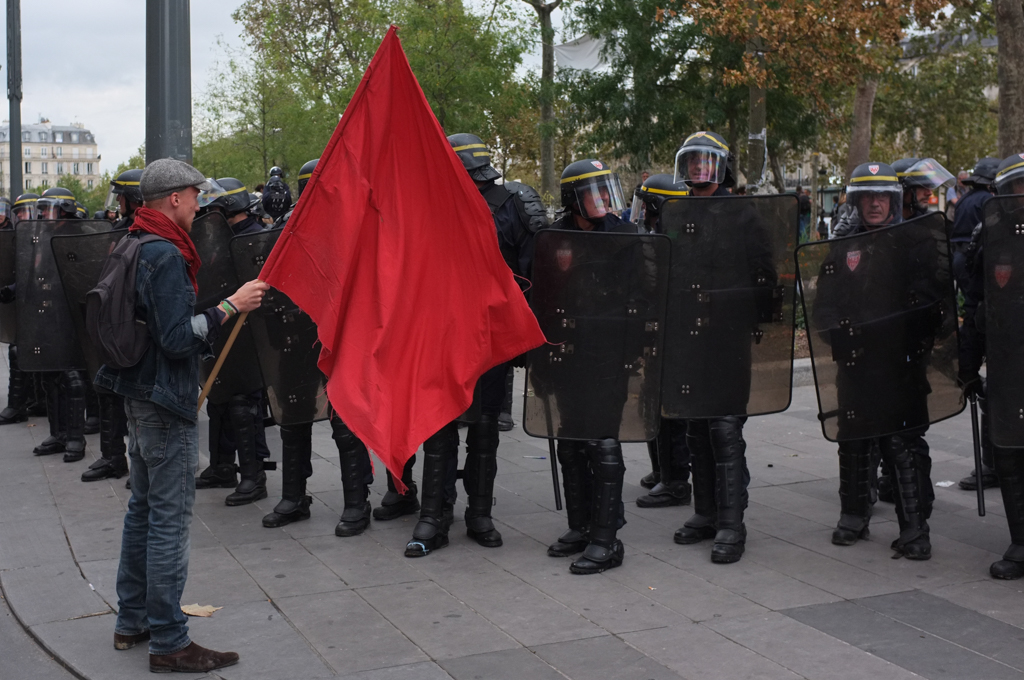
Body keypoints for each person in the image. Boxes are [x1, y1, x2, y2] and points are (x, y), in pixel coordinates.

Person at [93, 158, 268, 673]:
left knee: (143, 511)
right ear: (173, 199)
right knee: (167, 520)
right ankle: (170, 640)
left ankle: (133, 621)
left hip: (138, 393)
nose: (199, 204)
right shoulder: (165, 253)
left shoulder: (131, 241)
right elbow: (174, 339)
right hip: (164, 399)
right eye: (195, 195)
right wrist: (230, 307)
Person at [402, 135, 543, 558]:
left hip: (491, 334)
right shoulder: (429, 206)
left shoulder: (512, 204)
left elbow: (532, 271)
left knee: (483, 429)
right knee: (439, 426)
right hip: (441, 331)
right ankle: (434, 514)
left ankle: (479, 512)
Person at [811, 162, 937, 560]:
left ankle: (915, 528)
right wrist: (839, 335)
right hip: (857, 363)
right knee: (854, 439)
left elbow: (933, 303)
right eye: (868, 197)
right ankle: (853, 515)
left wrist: (909, 331)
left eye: (882, 196)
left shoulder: (914, 242)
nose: (875, 204)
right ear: (857, 201)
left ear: (894, 200)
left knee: (902, 443)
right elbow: (824, 305)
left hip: (900, 364)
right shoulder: (844, 246)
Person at [667, 131, 770, 564]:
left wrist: (745, 313)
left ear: (721, 166)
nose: (696, 167)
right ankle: (705, 513)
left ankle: (731, 523)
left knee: (724, 429)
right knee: (695, 426)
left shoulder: (743, 213)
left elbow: (764, 274)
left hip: (726, 338)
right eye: (690, 161)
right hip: (687, 339)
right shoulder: (675, 212)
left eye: (704, 161)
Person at [540, 157, 636, 575]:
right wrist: (541, 358)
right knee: (570, 440)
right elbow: (540, 297)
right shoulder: (553, 237)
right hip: (567, 354)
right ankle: (579, 527)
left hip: (608, 354)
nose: (602, 201)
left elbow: (643, 298)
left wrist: (633, 351)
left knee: (602, 442)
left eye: (605, 190)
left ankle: (606, 539)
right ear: (572, 199)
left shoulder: (627, 236)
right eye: (592, 193)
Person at [192, 178, 274, 506]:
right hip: (223, 326)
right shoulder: (218, 238)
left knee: (244, 403)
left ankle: (254, 476)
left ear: (223, 210)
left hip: (251, 334)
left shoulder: (256, 238)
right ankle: (222, 465)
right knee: (220, 398)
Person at [627, 174, 693, 508]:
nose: (641, 214)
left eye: (646, 206)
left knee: (669, 411)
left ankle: (676, 480)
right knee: (650, 404)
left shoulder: (675, 241)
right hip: (658, 334)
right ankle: (662, 470)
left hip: (673, 338)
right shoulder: (658, 237)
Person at [82, 171, 145, 482]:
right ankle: (113, 457)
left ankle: (142, 466)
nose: (117, 202)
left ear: (134, 199)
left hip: (135, 324)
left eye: (122, 196)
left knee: (139, 398)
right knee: (107, 387)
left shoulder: (141, 233)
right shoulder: (121, 230)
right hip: (115, 319)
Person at [985, 152, 1024, 579]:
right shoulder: (992, 235)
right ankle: (1020, 542)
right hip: (1008, 357)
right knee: (1010, 451)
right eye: (1019, 186)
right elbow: (977, 297)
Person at [952, 157, 1001, 491]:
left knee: (995, 390)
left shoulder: (966, 203)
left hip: (983, 306)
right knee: (999, 390)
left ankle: (991, 465)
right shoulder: (991, 210)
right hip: (993, 311)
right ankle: (994, 464)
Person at [31, 188, 89, 462]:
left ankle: (75, 438)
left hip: (71, 315)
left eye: (46, 208)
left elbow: (81, 275)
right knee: (50, 374)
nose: (41, 214)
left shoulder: (77, 235)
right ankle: (58, 433)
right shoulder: (43, 234)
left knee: (72, 377)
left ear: (63, 209)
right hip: (49, 314)